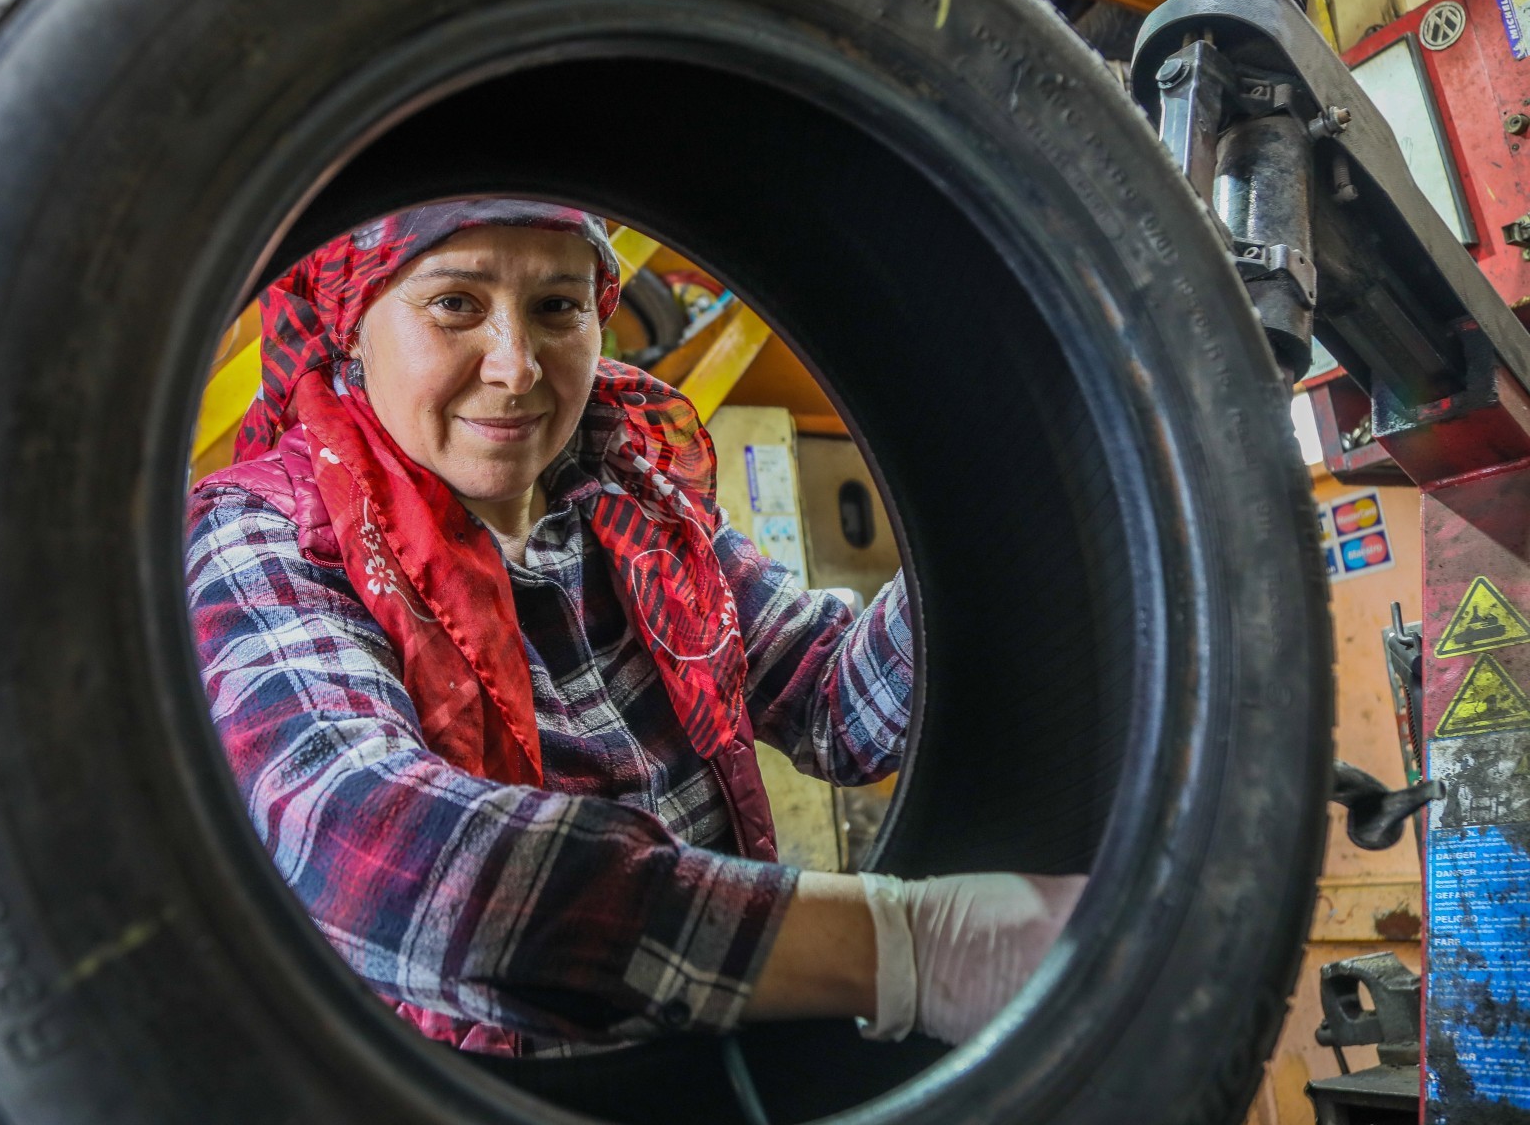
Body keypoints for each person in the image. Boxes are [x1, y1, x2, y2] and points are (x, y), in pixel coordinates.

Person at [185, 201, 1083, 1059]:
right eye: (455, 304)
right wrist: (900, 951)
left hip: (717, 1061)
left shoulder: (628, 496)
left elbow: (834, 702)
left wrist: (1007, 505)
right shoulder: (266, 536)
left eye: (557, 307)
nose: (515, 367)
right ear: (353, 320)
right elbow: (378, 856)